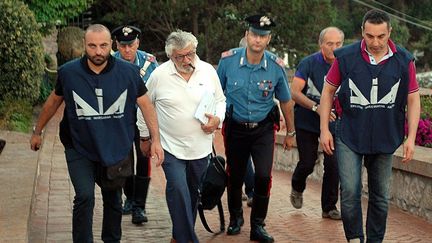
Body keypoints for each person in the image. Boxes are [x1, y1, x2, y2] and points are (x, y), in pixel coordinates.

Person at [30, 24, 164, 243]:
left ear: (111, 45)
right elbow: (54, 101)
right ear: (85, 45)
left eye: (103, 46)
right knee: (84, 196)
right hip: (79, 145)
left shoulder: (128, 73)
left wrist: (155, 139)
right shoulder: (69, 72)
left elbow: (146, 105)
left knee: (113, 199)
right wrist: (38, 131)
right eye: (92, 46)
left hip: (116, 146)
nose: (98, 51)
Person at [320, 10, 420, 243]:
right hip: (349, 133)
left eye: (381, 36)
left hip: (386, 134)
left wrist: (411, 137)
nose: (375, 42)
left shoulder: (404, 60)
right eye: (370, 36)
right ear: (362, 32)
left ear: (390, 33)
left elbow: (413, 98)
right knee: (351, 191)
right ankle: (355, 238)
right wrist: (324, 129)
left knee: (381, 196)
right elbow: (327, 91)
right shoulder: (345, 58)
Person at [137, 29, 226, 243]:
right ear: (170, 56)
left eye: (191, 54)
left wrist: (217, 120)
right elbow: (143, 106)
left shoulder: (207, 71)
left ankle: (179, 237)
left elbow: (221, 101)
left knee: (193, 194)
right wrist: (144, 137)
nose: (187, 60)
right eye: (180, 56)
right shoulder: (159, 75)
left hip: (200, 148)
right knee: (177, 189)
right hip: (170, 147)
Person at [217, 14, 295, 242]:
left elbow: (286, 101)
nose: (257, 40)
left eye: (262, 36)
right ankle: (235, 219)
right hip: (235, 128)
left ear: (268, 39)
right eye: (254, 34)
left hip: (262, 129)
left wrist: (290, 133)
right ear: (246, 35)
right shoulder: (228, 61)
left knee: (262, 175)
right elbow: (213, 93)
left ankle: (258, 225)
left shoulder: (275, 66)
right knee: (235, 175)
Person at [290, 27, 344, 220]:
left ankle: (329, 207)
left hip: (332, 123)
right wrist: (316, 107)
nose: (334, 48)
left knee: (333, 165)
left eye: (338, 44)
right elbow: (294, 92)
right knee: (307, 162)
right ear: (321, 44)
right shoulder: (308, 63)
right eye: (330, 44)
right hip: (307, 120)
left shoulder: (345, 63)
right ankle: (297, 185)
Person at [111, 25, 159, 225]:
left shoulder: (149, 62)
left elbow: (155, 90)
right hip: (120, 118)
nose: (127, 50)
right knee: (123, 160)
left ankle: (140, 206)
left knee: (143, 158)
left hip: (142, 119)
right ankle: (129, 199)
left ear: (138, 43)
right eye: (123, 46)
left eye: (131, 45)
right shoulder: (110, 62)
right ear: (116, 45)